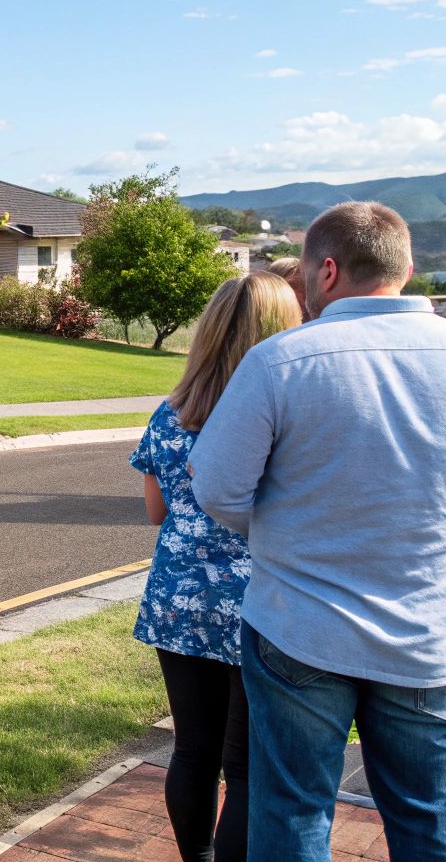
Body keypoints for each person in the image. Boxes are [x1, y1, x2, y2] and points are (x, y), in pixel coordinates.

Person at [188, 202, 446, 862]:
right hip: (429, 636)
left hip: (298, 630)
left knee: (293, 812)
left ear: (326, 270)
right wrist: (443, 509)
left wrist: (290, 523)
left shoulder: (280, 363)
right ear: (408, 269)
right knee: (432, 820)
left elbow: (218, 488)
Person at [131, 271, 302, 862]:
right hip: (261, 604)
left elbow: (156, 512)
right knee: (248, 766)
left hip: (178, 599)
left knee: (192, 752)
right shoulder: (287, 415)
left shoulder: (170, 412)